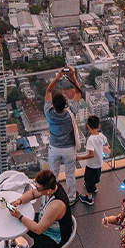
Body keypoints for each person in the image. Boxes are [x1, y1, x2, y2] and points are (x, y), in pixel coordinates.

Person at [9, 169, 75, 248]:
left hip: (54, 236)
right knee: (17, 222)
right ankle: (38, 244)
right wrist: (19, 201)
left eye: (38, 188)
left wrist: (20, 216)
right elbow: (32, 194)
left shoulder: (56, 205)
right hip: (45, 221)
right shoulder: (51, 187)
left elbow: (38, 230)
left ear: (48, 191)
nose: (36, 189)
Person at [44, 67, 83, 203]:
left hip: (54, 148)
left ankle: (51, 197)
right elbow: (78, 92)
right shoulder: (71, 113)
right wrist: (72, 75)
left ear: (53, 104)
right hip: (68, 149)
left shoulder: (48, 113)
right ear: (66, 103)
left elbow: (48, 91)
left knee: (53, 175)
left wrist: (58, 77)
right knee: (70, 174)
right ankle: (71, 198)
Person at [76, 115, 110, 206]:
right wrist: (104, 149)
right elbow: (107, 145)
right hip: (99, 163)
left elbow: (91, 155)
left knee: (88, 181)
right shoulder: (102, 136)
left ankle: (89, 198)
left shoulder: (90, 140)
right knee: (95, 177)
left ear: (88, 126)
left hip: (91, 165)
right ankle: (94, 187)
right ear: (99, 126)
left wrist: (79, 158)